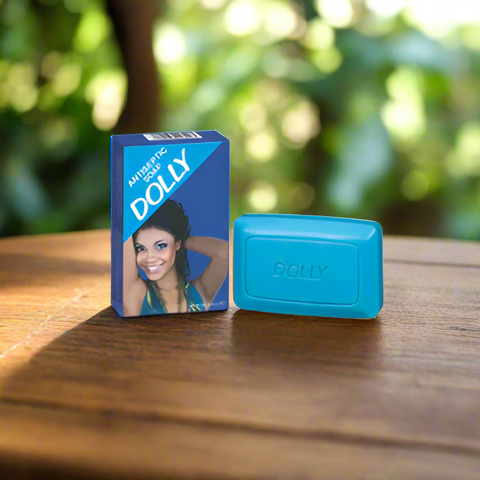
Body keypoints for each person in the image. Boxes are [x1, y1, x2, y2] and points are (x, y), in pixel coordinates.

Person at [123, 199, 228, 316]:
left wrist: (180, 239)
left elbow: (224, 252)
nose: (149, 258)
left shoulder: (199, 292)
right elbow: (124, 226)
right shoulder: (135, 293)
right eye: (141, 248)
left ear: (177, 244)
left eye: (161, 246)